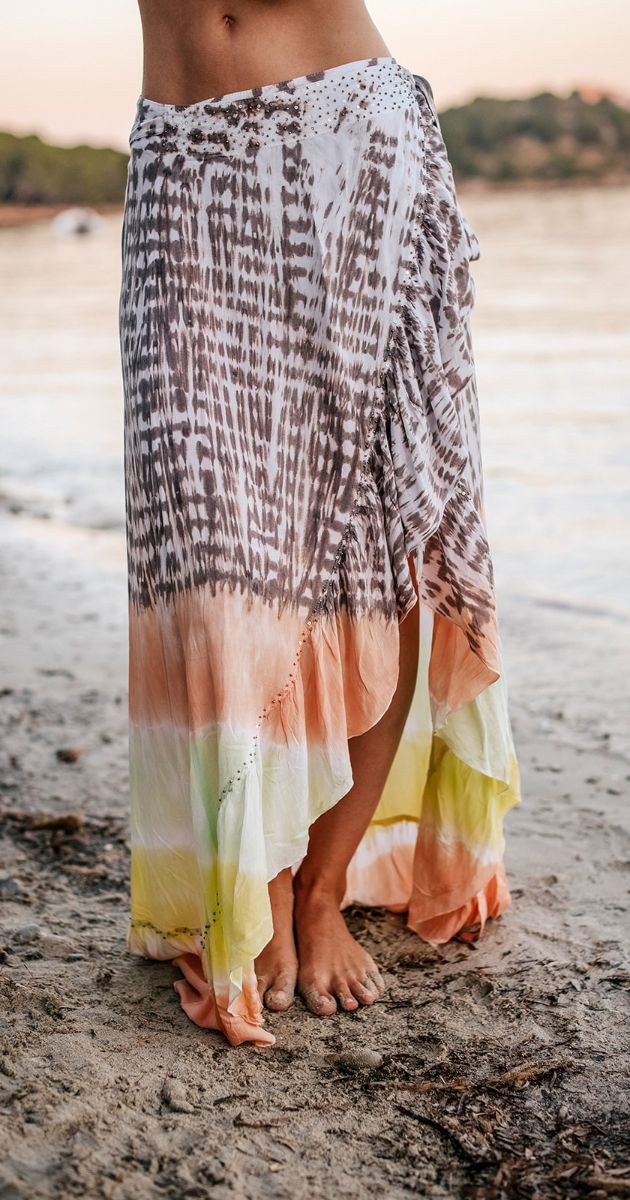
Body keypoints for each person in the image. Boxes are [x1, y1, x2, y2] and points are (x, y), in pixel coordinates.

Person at [119, 0, 521, 1047]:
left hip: (346, 132)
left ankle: (319, 887)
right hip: (181, 160)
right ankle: (255, 868)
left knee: (379, 532)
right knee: (206, 537)